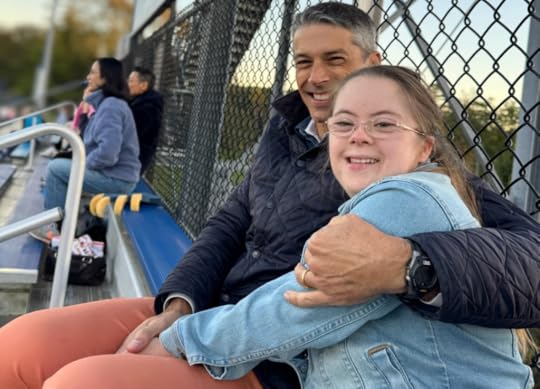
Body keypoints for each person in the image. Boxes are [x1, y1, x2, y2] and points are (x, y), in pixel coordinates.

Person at [0, 3, 538, 388]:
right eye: (303, 61)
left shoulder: (407, 172)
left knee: (85, 380)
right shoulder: (287, 131)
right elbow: (230, 223)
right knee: (20, 346)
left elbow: (527, 257)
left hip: (281, 353)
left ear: (372, 60)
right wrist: (179, 303)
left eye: (335, 60)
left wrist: (411, 262)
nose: (315, 76)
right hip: (217, 310)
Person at [155, 65, 535, 388]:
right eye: (344, 123)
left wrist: (175, 341)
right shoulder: (375, 192)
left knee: (106, 372)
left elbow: (290, 310)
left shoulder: (408, 197)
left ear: (425, 149)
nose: (359, 135)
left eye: (384, 123)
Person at [29, 57, 141, 241]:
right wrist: (86, 102)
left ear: (105, 78)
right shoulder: (105, 105)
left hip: (117, 179)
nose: (88, 77)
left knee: (56, 169)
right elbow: (85, 137)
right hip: (115, 175)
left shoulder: (111, 106)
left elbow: (108, 154)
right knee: (60, 164)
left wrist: (81, 165)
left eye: (93, 72)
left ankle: (54, 229)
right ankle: (60, 223)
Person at [127, 66, 164, 174]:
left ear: (143, 85)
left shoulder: (147, 109)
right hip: (127, 163)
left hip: (129, 167)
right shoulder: (138, 103)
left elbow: (129, 135)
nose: (127, 84)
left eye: (131, 81)